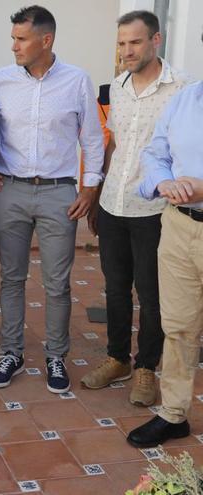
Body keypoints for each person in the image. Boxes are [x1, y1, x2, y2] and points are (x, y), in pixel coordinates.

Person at [0, 5, 104, 394]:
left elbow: (93, 138)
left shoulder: (76, 80)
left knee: (57, 282)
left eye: (21, 39)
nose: (13, 45)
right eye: (13, 38)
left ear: (45, 40)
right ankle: (12, 352)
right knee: (11, 277)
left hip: (59, 194)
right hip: (9, 191)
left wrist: (89, 188)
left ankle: (55, 356)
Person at [80, 11, 190, 407]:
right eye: (122, 43)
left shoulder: (182, 90)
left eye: (135, 42)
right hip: (114, 202)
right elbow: (115, 143)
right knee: (114, 287)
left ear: (156, 41)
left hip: (155, 208)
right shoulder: (118, 88)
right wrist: (96, 193)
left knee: (153, 292)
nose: (127, 51)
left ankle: (146, 366)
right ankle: (116, 359)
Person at [125, 39, 203, 448]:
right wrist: (163, 181)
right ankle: (173, 414)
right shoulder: (184, 100)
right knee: (179, 326)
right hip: (178, 226)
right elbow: (154, 152)